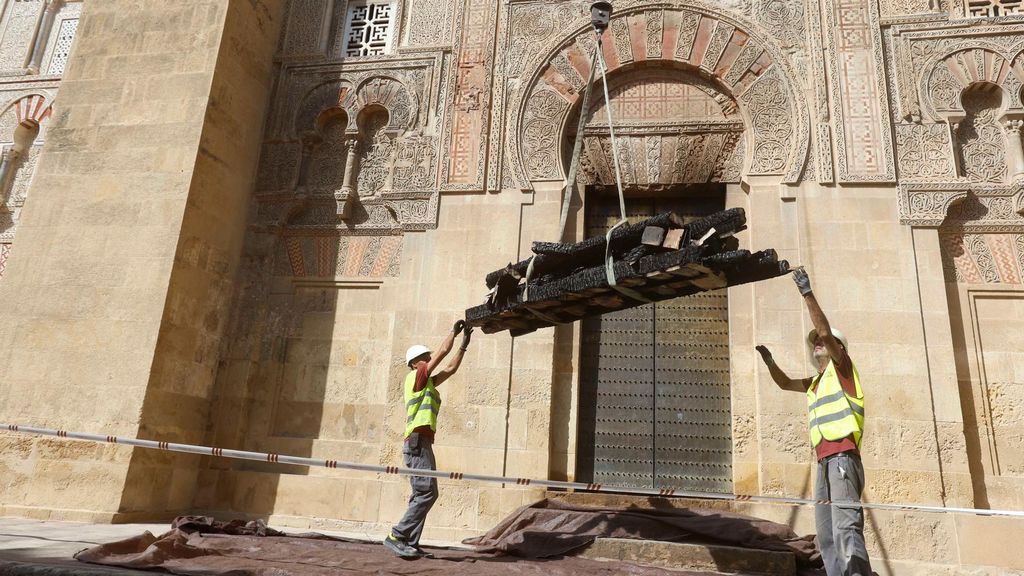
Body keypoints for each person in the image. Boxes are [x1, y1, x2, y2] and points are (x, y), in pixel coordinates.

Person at [755, 268, 872, 576]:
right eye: (818, 344)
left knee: (846, 527)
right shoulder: (815, 382)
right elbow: (783, 383)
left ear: (839, 348)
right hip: (822, 460)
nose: (818, 344)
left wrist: (806, 293)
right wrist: (769, 362)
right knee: (827, 532)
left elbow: (822, 331)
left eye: (825, 342)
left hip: (843, 456)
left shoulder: (842, 368)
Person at [383, 319, 473, 559]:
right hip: (417, 442)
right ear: (414, 364)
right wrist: (453, 332)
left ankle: (410, 542)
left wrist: (463, 345)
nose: (428, 359)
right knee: (427, 494)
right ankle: (397, 536)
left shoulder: (427, 383)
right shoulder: (416, 377)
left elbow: (450, 369)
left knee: (422, 493)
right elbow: (443, 353)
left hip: (421, 443)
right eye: (424, 357)